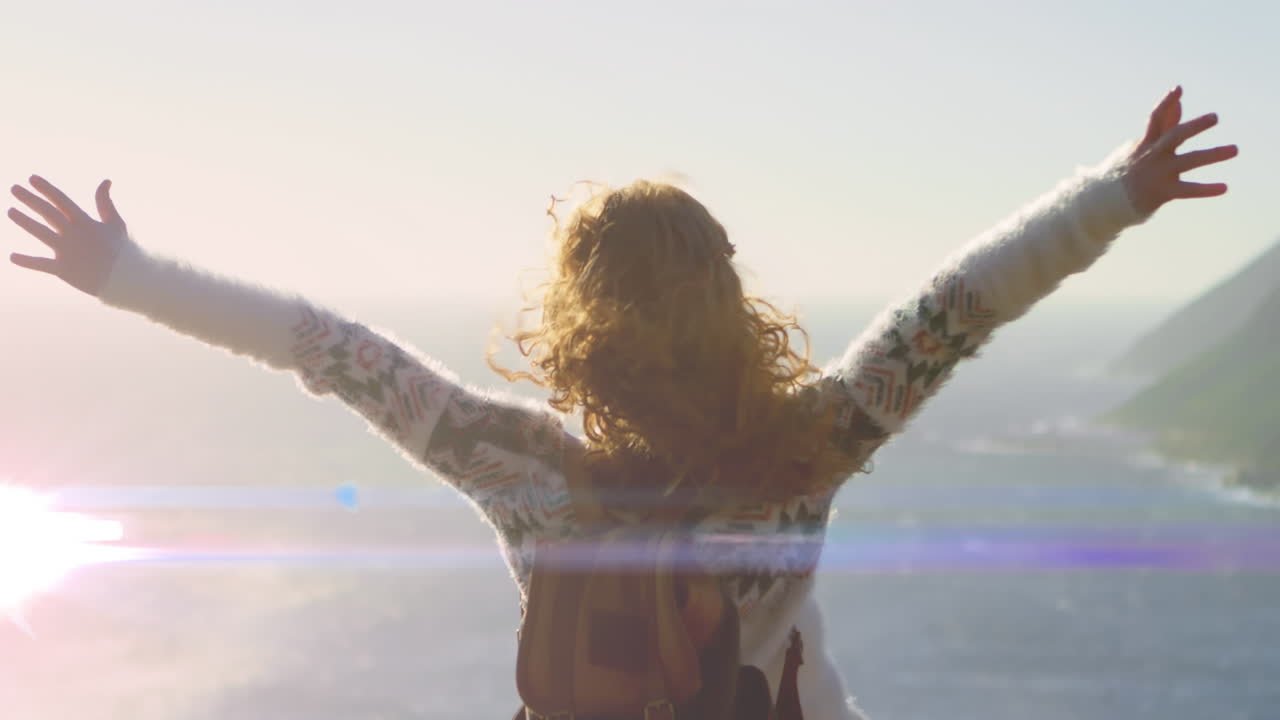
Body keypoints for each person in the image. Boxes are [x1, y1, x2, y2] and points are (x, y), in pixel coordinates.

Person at [6, 86, 1236, 719]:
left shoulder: (521, 471)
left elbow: (330, 349)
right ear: (728, 297)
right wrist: (1114, 196)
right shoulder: (802, 446)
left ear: (575, 322)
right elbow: (953, 309)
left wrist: (128, 277)